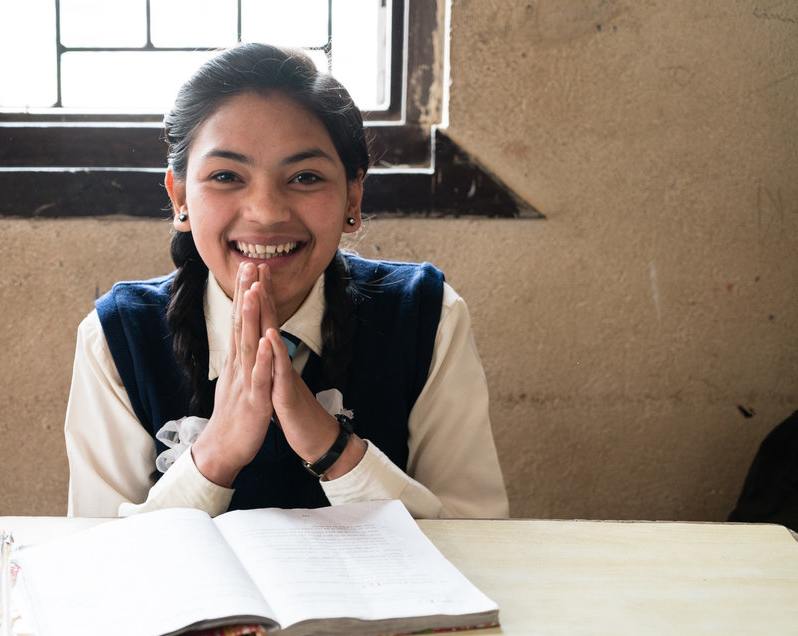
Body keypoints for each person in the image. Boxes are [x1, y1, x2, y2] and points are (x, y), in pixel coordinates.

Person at [65, 43, 508, 519]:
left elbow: (476, 538)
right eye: (226, 175)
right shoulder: (116, 337)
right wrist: (218, 452)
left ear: (353, 198)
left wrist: (329, 446)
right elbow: (100, 561)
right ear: (180, 198)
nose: (267, 212)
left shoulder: (427, 315)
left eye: (305, 177)